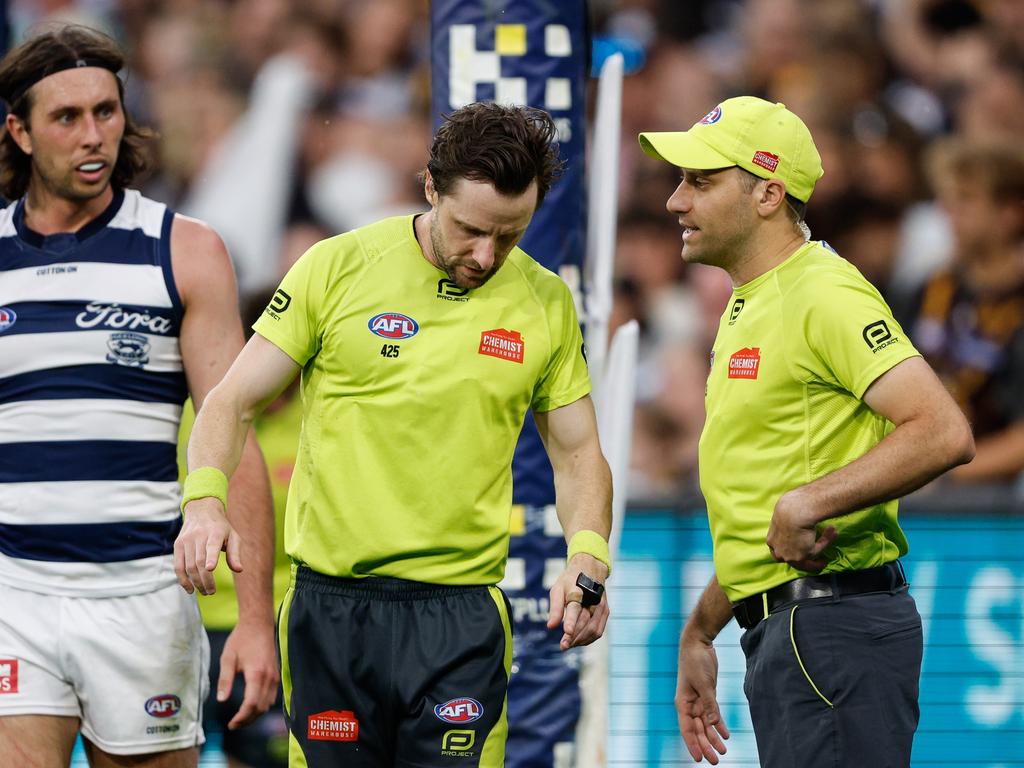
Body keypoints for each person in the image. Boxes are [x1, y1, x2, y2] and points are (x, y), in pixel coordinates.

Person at [174, 101, 613, 767]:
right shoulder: (337, 267)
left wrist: (587, 553)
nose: (486, 254)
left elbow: (578, 451)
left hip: (460, 620)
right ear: (431, 186)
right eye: (469, 230)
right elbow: (228, 402)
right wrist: (205, 500)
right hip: (331, 613)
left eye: (510, 236)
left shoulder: (544, 302)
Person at [638, 96, 975, 766]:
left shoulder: (821, 293)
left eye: (700, 182)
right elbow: (771, 510)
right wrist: (700, 631)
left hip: (830, 630)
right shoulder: (754, 300)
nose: (677, 201)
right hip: (800, 630)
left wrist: (810, 503)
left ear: (768, 194)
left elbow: (942, 430)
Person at [0, 25, 278, 767]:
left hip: (141, 596)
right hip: (14, 590)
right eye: (67, 118)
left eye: (107, 112)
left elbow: (232, 428)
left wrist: (255, 622)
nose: (94, 136)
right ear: (20, 132)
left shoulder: (183, 249)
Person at [909, 137, 1024, 486]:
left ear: (1010, 213)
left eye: (966, 200)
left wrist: (943, 476)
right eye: (947, 200)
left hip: (1001, 495)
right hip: (926, 469)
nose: (950, 213)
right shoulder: (930, 290)